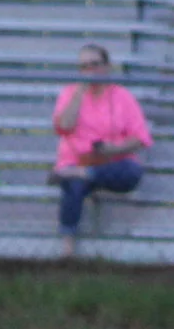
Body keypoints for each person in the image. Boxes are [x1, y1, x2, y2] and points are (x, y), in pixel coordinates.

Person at [49, 42, 152, 257]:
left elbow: (140, 138)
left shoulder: (123, 97)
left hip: (111, 162)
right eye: (84, 66)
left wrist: (113, 149)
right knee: (74, 186)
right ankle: (68, 247)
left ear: (107, 66)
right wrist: (79, 93)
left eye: (94, 64)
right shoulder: (70, 94)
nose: (90, 71)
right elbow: (64, 126)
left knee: (132, 172)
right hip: (78, 159)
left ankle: (83, 173)